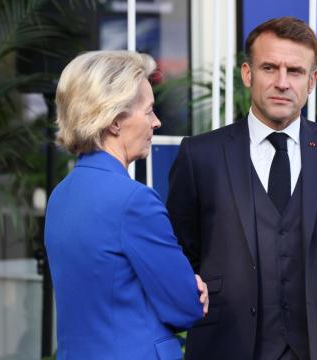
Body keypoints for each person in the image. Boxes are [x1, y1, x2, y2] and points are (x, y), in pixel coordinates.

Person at [167, 16, 317, 360]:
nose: (282, 82)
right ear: (248, 74)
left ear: (311, 82)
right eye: (269, 68)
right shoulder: (200, 154)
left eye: (294, 71)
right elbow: (182, 252)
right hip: (226, 345)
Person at [44, 50, 208, 360]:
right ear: (116, 121)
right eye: (148, 111)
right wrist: (193, 287)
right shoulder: (135, 201)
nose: (156, 122)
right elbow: (185, 307)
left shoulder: (60, 196)